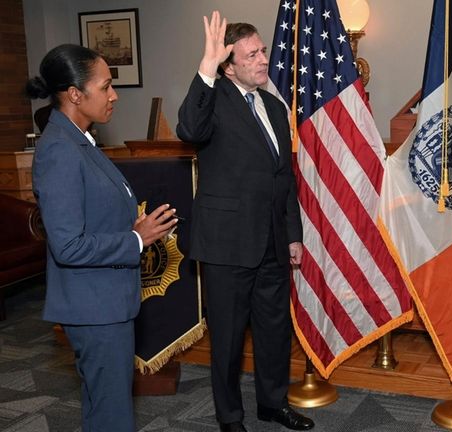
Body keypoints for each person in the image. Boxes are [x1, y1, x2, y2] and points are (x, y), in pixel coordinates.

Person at [28, 44, 177, 432]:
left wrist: (134, 224)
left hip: (106, 301)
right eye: (106, 86)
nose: (114, 95)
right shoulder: (60, 149)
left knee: (106, 407)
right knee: (111, 414)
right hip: (94, 309)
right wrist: (136, 239)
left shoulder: (81, 140)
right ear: (75, 94)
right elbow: (68, 245)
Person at [176, 11, 311, 432]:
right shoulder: (213, 97)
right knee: (229, 340)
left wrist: (292, 233)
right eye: (251, 54)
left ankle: (273, 404)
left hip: (272, 243)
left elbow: (283, 176)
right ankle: (229, 417)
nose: (263, 59)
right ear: (229, 64)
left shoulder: (272, 104)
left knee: (274, 333)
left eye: (263, 50)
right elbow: (188, 128)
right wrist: (206, 65)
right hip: (227, 245)